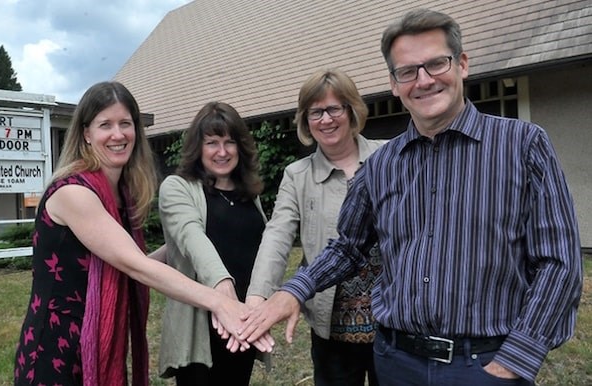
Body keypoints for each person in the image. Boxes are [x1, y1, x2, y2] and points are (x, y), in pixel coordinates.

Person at [239, 8, 582, 386]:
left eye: (436, 64)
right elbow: (349, 247)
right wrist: (293, 290)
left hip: (484, 365)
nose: (423, 80)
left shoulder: (522, 144)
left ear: (462, 64)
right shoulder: (382, 164)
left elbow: (559, 262)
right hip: (396, 362)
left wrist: (515, 359)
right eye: (407, 71)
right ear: (394, 82)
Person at [13, 82, 271, 386]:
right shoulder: (75, 192)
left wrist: (180, 243)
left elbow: (126, 261)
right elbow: (136, 265)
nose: (118, 134)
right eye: (105, 125)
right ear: (86, 133)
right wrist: (220, 301)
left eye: (126, 123)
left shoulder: (121, 196)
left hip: (100, 337)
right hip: (58, 345)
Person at [245, 68, 386, 386]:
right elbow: (278, 235)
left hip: (392, 325)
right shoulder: (297, 175)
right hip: (331, 327)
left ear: (352, 110)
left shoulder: (388, 156)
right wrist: (257, 298)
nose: (326, 119)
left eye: (334, 108)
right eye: (316, 112)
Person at [157, 101, 270, 386]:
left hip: (243, 323)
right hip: (201, 327)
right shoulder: (178, 187)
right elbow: (191, 237)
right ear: (198, 147)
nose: (222, 151)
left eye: (230, 142)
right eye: (212, 143)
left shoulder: (249, 196)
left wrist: (251, 311)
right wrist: (224, 294)